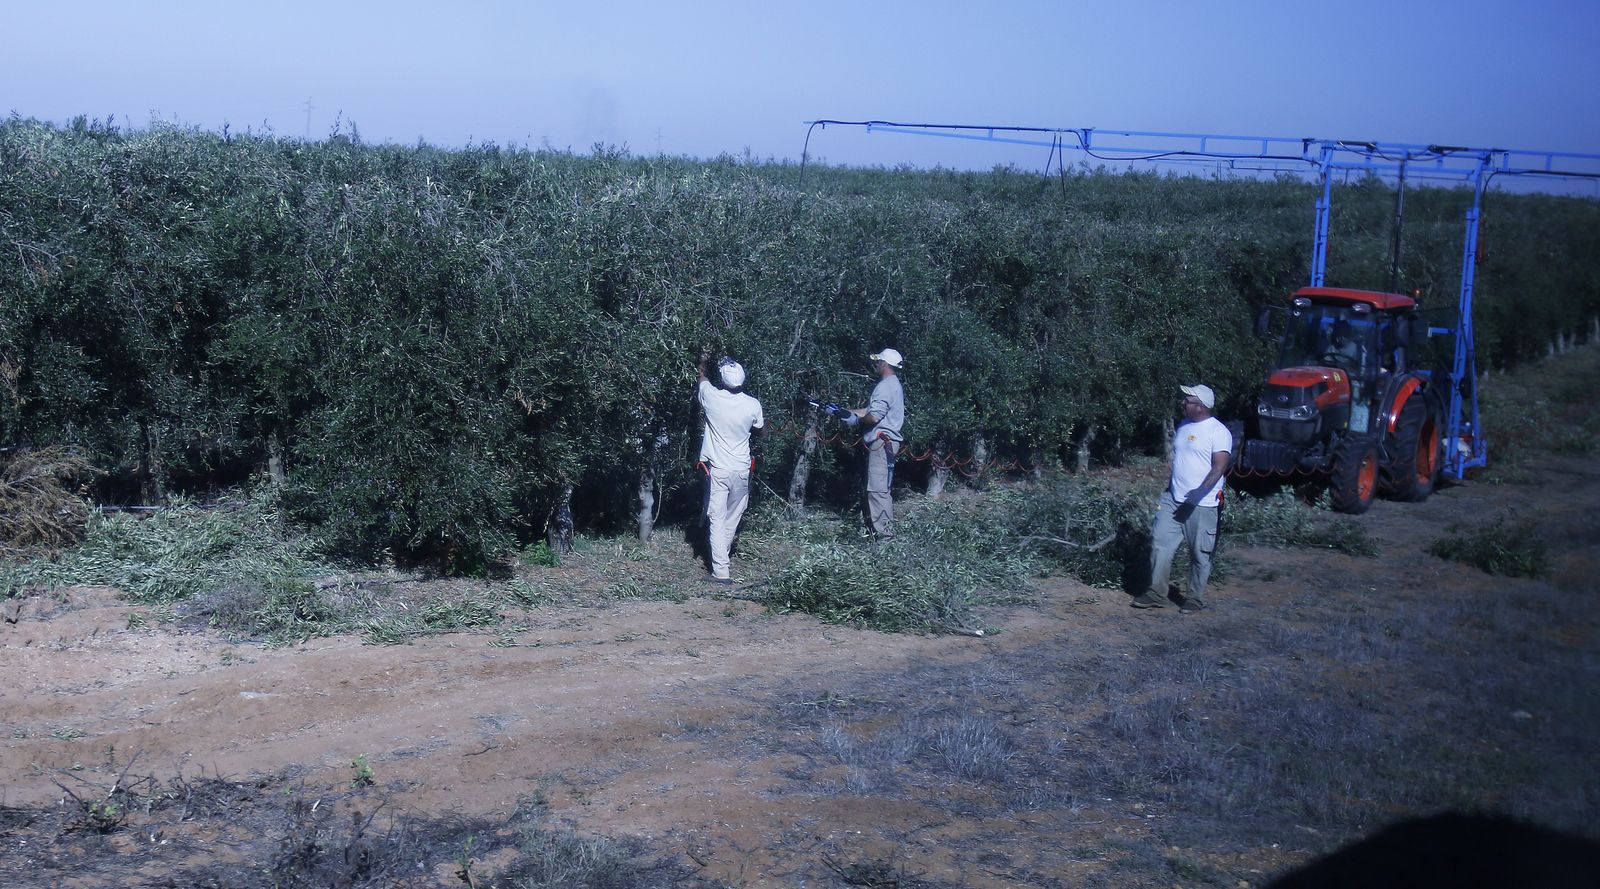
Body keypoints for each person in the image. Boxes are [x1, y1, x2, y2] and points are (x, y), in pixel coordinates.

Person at [1132, 383, 1232, 614]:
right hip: (1173, 500)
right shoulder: (1184, 425)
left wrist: (1198, 493)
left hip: (1202, 504)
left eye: (1187, 400)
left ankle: (1195, 599)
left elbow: (1219, 467)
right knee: (1160, 542)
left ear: (1200, 406)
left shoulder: (1218, 432)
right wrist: (1169, 491)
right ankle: (1157, 593)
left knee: (1199, 552)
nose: (1183, 403)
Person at [696, 354, 764, 583]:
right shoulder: (753, 404)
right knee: (732, 517)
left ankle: (721, 572)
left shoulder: (712, 397)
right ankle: (721, 559)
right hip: (742, 469)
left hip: (719, 469)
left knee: (717, 517)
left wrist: (704, 361)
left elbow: (702, 378)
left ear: (723, 379)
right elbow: (760, 430)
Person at [829, 348, 906, 537]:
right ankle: (874, 532)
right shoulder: (892, 385)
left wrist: (856, 420)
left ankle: (884, 539)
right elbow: (870, 410)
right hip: (885, 443)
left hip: (881, 443)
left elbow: (873, 417)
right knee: (877, 488)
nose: (876, 364)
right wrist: (847, 412)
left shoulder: (885, 386)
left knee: (878, 490)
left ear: (884, 364)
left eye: (878, 361)